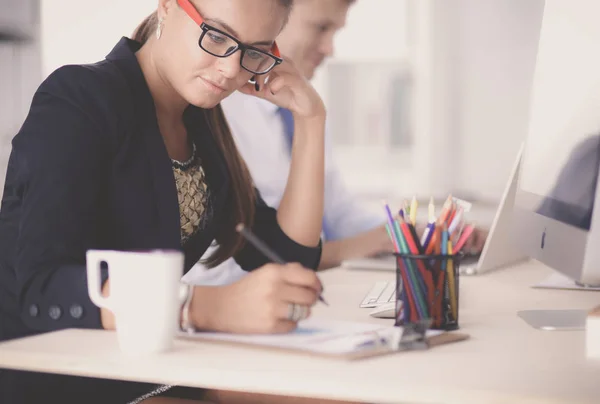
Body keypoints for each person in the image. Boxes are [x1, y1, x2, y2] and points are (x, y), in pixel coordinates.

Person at [0, 1, 354, 403]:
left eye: (254, 50)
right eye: (218, 36)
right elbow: (42, 290)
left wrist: (311, 120)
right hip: (54, 378)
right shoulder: (79, 98)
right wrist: (201, 308)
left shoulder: (198, 121)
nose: (231, 69)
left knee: (350, 393)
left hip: (147, 368)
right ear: (168, 6)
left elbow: (284, 254)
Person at [184, 0, 486, 286]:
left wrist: (413, 232)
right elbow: (226, 258)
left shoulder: (303, 107)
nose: (329, 49)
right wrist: (350, 249)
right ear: (275, 18)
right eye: (320, 28)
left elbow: (338, 213)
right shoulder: (216, 108)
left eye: (334, 32)